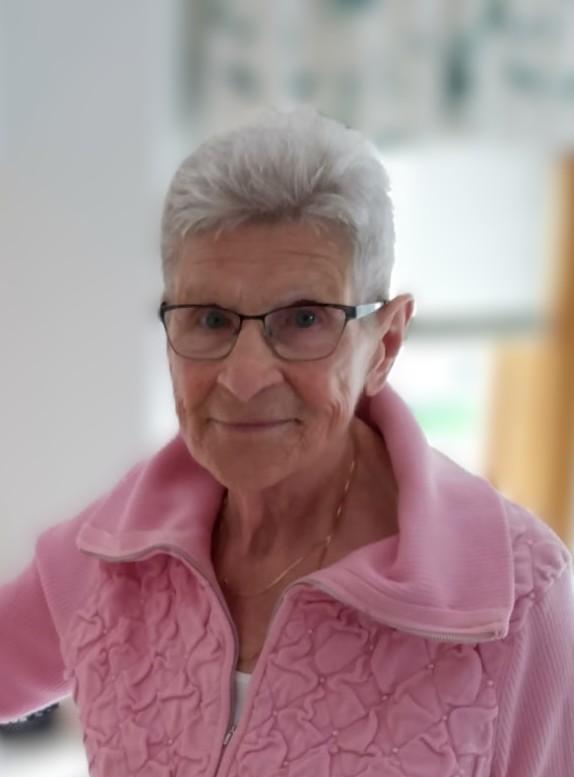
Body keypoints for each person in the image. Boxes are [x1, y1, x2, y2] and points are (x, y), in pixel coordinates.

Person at [1, 108, 573, 777]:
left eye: (304, 319)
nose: (244, 378)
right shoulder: (109, 554)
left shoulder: (517, 599)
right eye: (210, 319)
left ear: (385, 343)